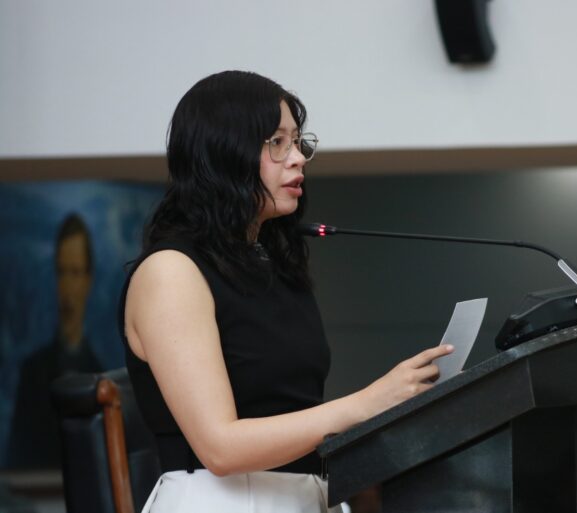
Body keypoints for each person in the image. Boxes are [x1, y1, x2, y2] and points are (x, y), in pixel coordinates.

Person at [120, 70, 453, 513]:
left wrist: (393, 408)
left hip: (304, 496)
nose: (297, 158)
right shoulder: (171, 272)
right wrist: (368, 402)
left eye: (297, 142)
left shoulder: (271, 264)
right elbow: (220, 449)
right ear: (225, 153)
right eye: (277, 142)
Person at [8, 213, 103, 468]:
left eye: (75, 272)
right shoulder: (32, 372)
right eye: (62, 272)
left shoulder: (102, 376)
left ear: (88, 280)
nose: (67, 287)